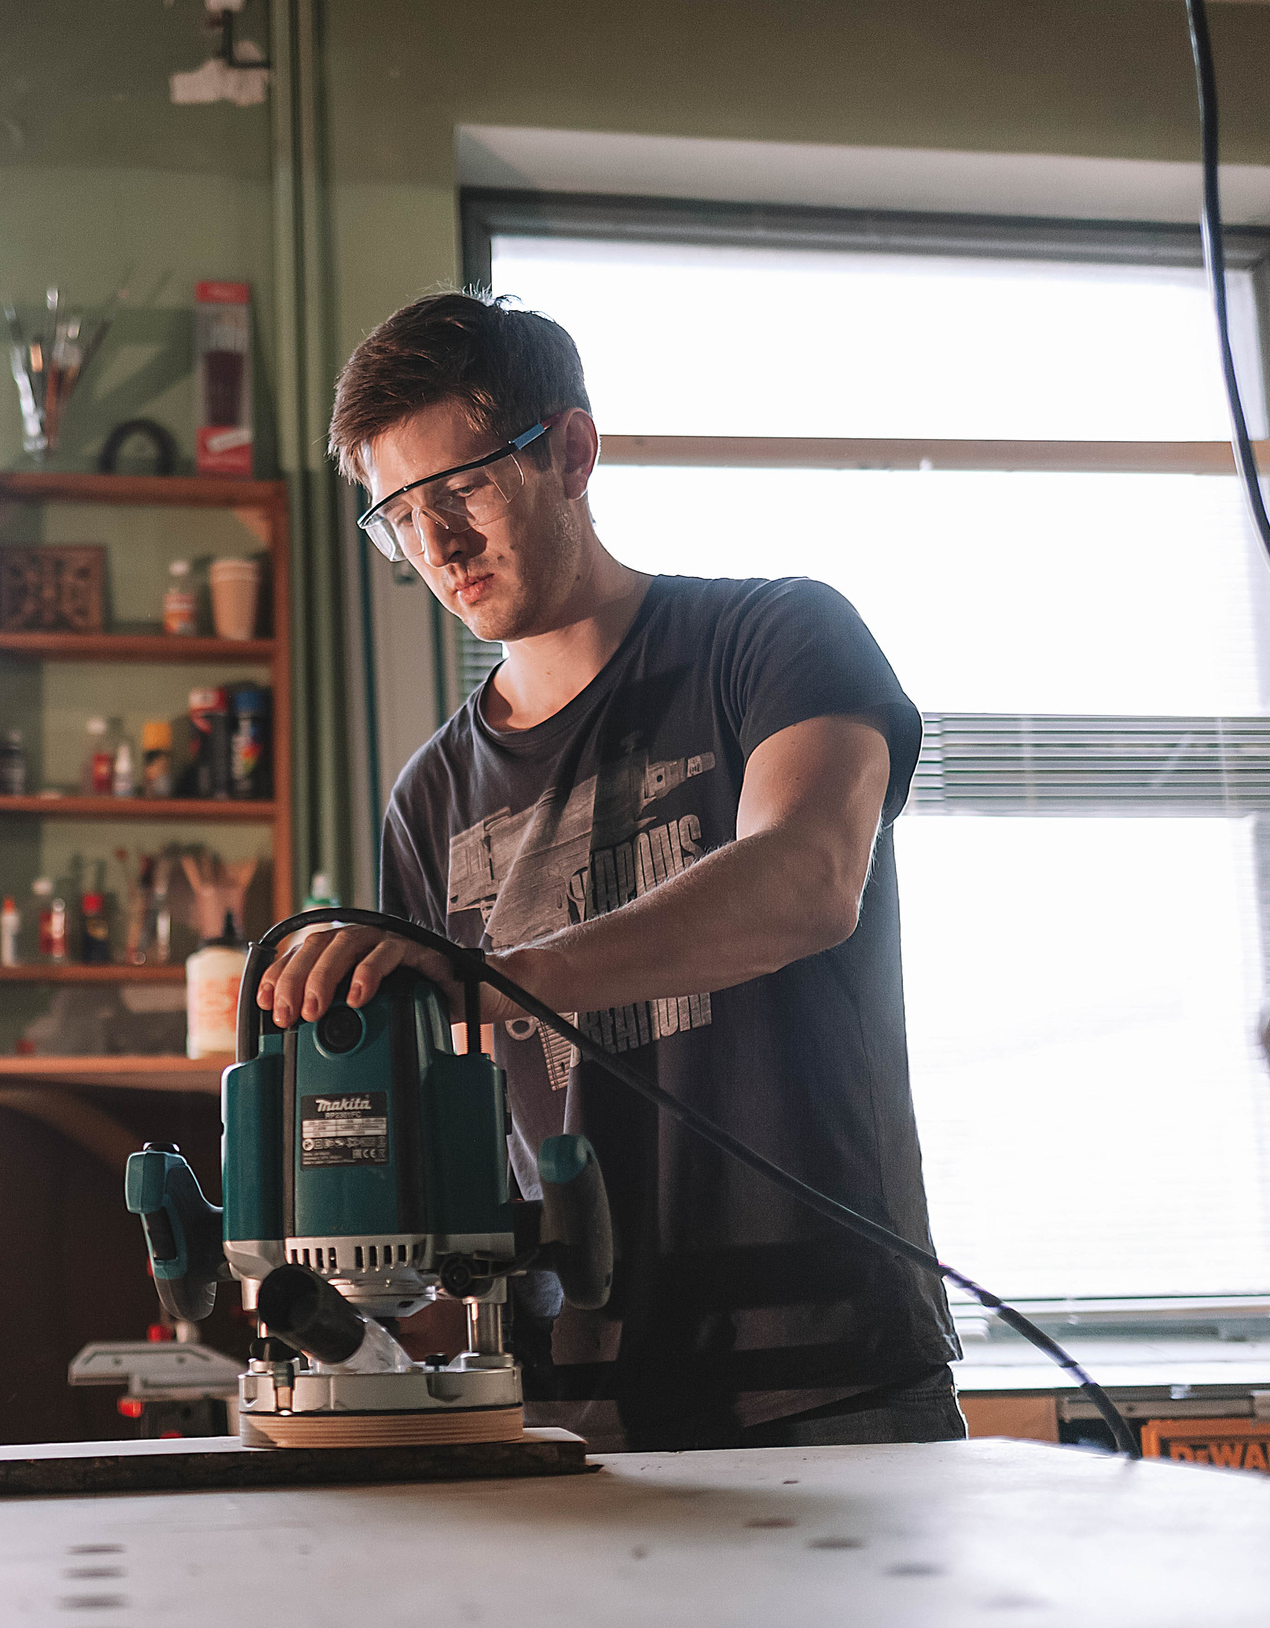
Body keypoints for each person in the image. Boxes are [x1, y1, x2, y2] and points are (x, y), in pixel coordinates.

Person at [255, 290, 964, 1452]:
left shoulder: (774, 642)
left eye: (461, 490)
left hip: (827, 1378)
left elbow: (807, 875)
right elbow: (459, 1129)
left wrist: (504, 976)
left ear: (570, 453)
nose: (438, 547)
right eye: (397, 516)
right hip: (566, 1405)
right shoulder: (426, 798)